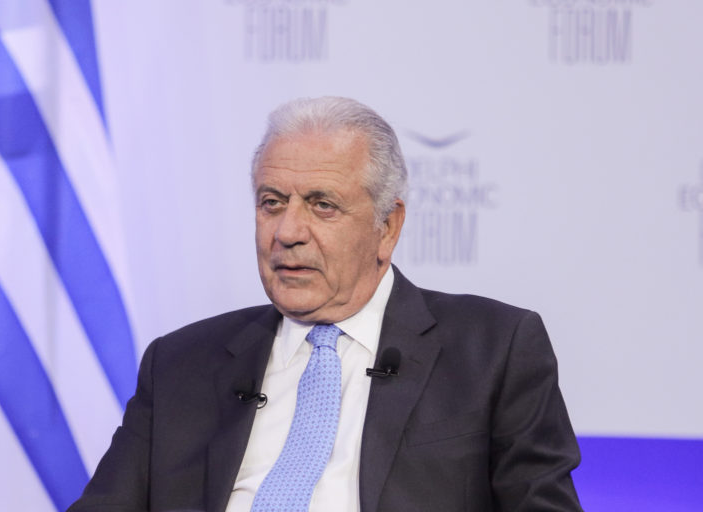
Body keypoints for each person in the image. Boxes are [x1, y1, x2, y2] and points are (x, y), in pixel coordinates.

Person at [68, 97, 583, 512]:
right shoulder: (180, 364)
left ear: (388, 227)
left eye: (322, 205)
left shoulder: (493, 350)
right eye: (272, 203)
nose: (288, 232)